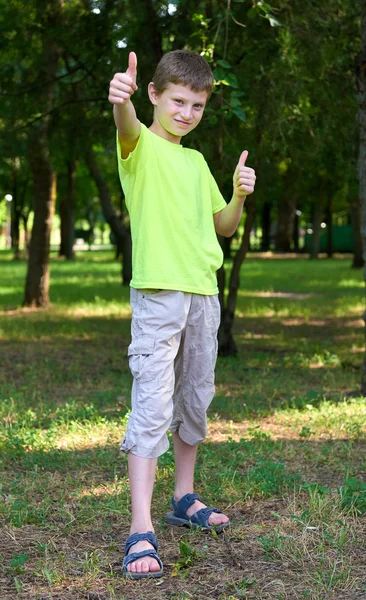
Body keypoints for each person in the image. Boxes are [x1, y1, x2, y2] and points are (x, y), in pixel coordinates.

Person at [108, 49, 256, 579]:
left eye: (196, 104)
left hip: (203, 295)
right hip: (158, 296)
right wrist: (119, 101)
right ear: (153, 94)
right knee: (152, 404)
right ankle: (140, 529)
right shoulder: (140, 145)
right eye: (177, 101)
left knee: (194, 399)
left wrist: (238, 195)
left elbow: (224, 228)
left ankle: (184, 499)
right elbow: (126, 128)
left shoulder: (195, 162)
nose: (187, 113)